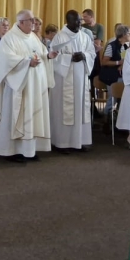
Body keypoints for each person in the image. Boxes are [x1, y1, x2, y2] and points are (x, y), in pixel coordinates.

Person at [0, 9, 52, 160]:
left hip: (34, 86)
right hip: (17, 87)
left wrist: (49, 56)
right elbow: (6, 60)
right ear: (21, 22)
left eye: (34, 19)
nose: (34, 22)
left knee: (32, 117)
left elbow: (41, 53)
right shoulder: (9, 38)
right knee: (16, 117)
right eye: (31, 20)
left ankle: (29, 150)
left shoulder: (33, 37)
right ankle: (11, 151)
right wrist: (26, 62)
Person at [48, 10, 96, 153]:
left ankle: (79, 141)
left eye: (80, 20)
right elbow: (53, 57)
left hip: (80, 79)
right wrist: (69, 58)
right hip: (63, 81)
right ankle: (62, 143)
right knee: (63, 110)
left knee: (80, 108)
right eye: (76, 20)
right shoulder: (59, 37)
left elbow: (92, 53)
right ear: (68, 21)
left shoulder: (84, 36)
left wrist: (84, 55)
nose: (79, 23)